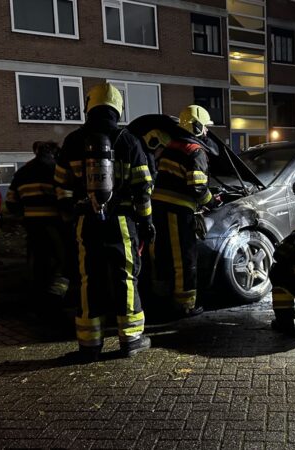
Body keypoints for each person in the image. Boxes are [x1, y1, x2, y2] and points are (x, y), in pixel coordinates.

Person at [55, 82, 154, 362]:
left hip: (85, 221)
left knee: (89, 279)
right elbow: (143, 187)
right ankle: (131, 339)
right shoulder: (129, 140)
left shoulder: (73, 141)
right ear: (117, 107)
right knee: (126, 278)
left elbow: (61, 185)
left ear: (89, 106)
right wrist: (146, 221)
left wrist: (71, 214)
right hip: (122, 221)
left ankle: (89, 344)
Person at [150, 105, 214, 318]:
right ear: (196, 127)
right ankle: (185, 304)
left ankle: (161, 298)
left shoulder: (171, 146)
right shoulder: (195, 151)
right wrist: (211, 201)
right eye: (205, 127)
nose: (207, 131)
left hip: (159, 209)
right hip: (177, 211)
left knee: (162, 255)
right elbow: (197, 187)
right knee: (184, 259)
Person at [6, 141, 68, 302]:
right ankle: (55, 293)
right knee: (61, 255)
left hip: (31, 223)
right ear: (55, 153)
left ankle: (36, 291)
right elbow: (65, 198)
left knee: (36, 256)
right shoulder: (56, 169)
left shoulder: (22, 172)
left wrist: (23, 214)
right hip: (54, 222)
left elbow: (11, 201)